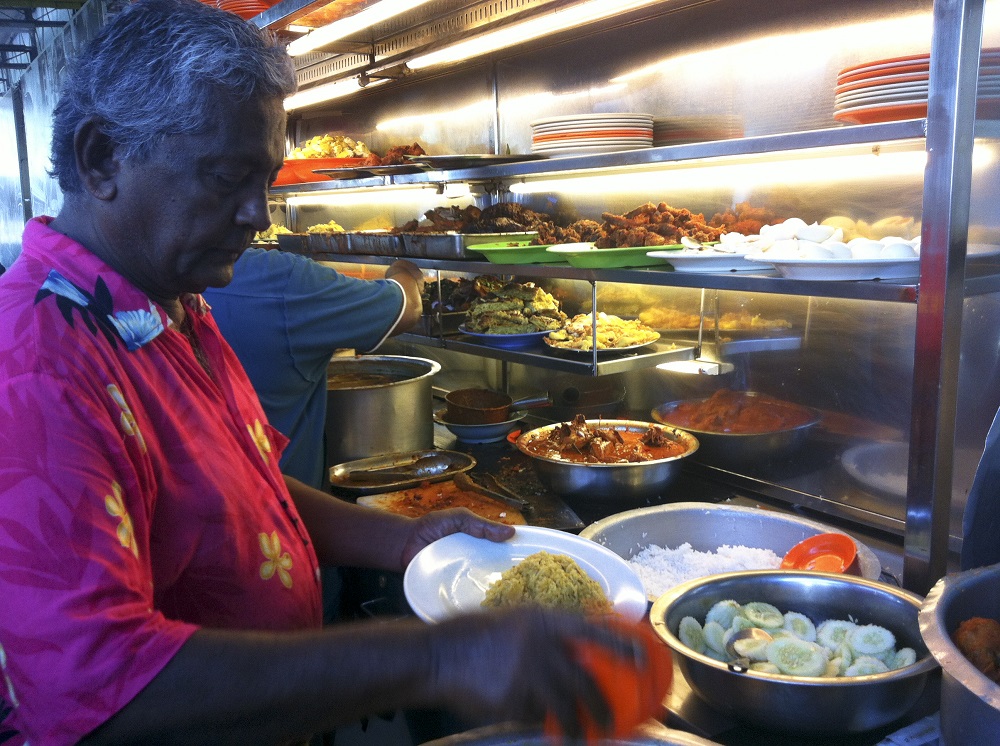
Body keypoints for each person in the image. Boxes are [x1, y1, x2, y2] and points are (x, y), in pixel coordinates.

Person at [0, 1, 641, 743]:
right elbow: (104, 692)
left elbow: (244, 493)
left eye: (266, 179)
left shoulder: (166, 305)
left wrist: (400, 541)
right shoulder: (36, 367)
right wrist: (434, 658)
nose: (259, 215)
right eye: (225, 177)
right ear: (101, 158)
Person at [204, 248, 423, 490]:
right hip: (289, 505)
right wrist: (404, 272)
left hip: (214, 494)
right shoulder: (284, 278)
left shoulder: (179, 281)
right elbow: (408, 307)